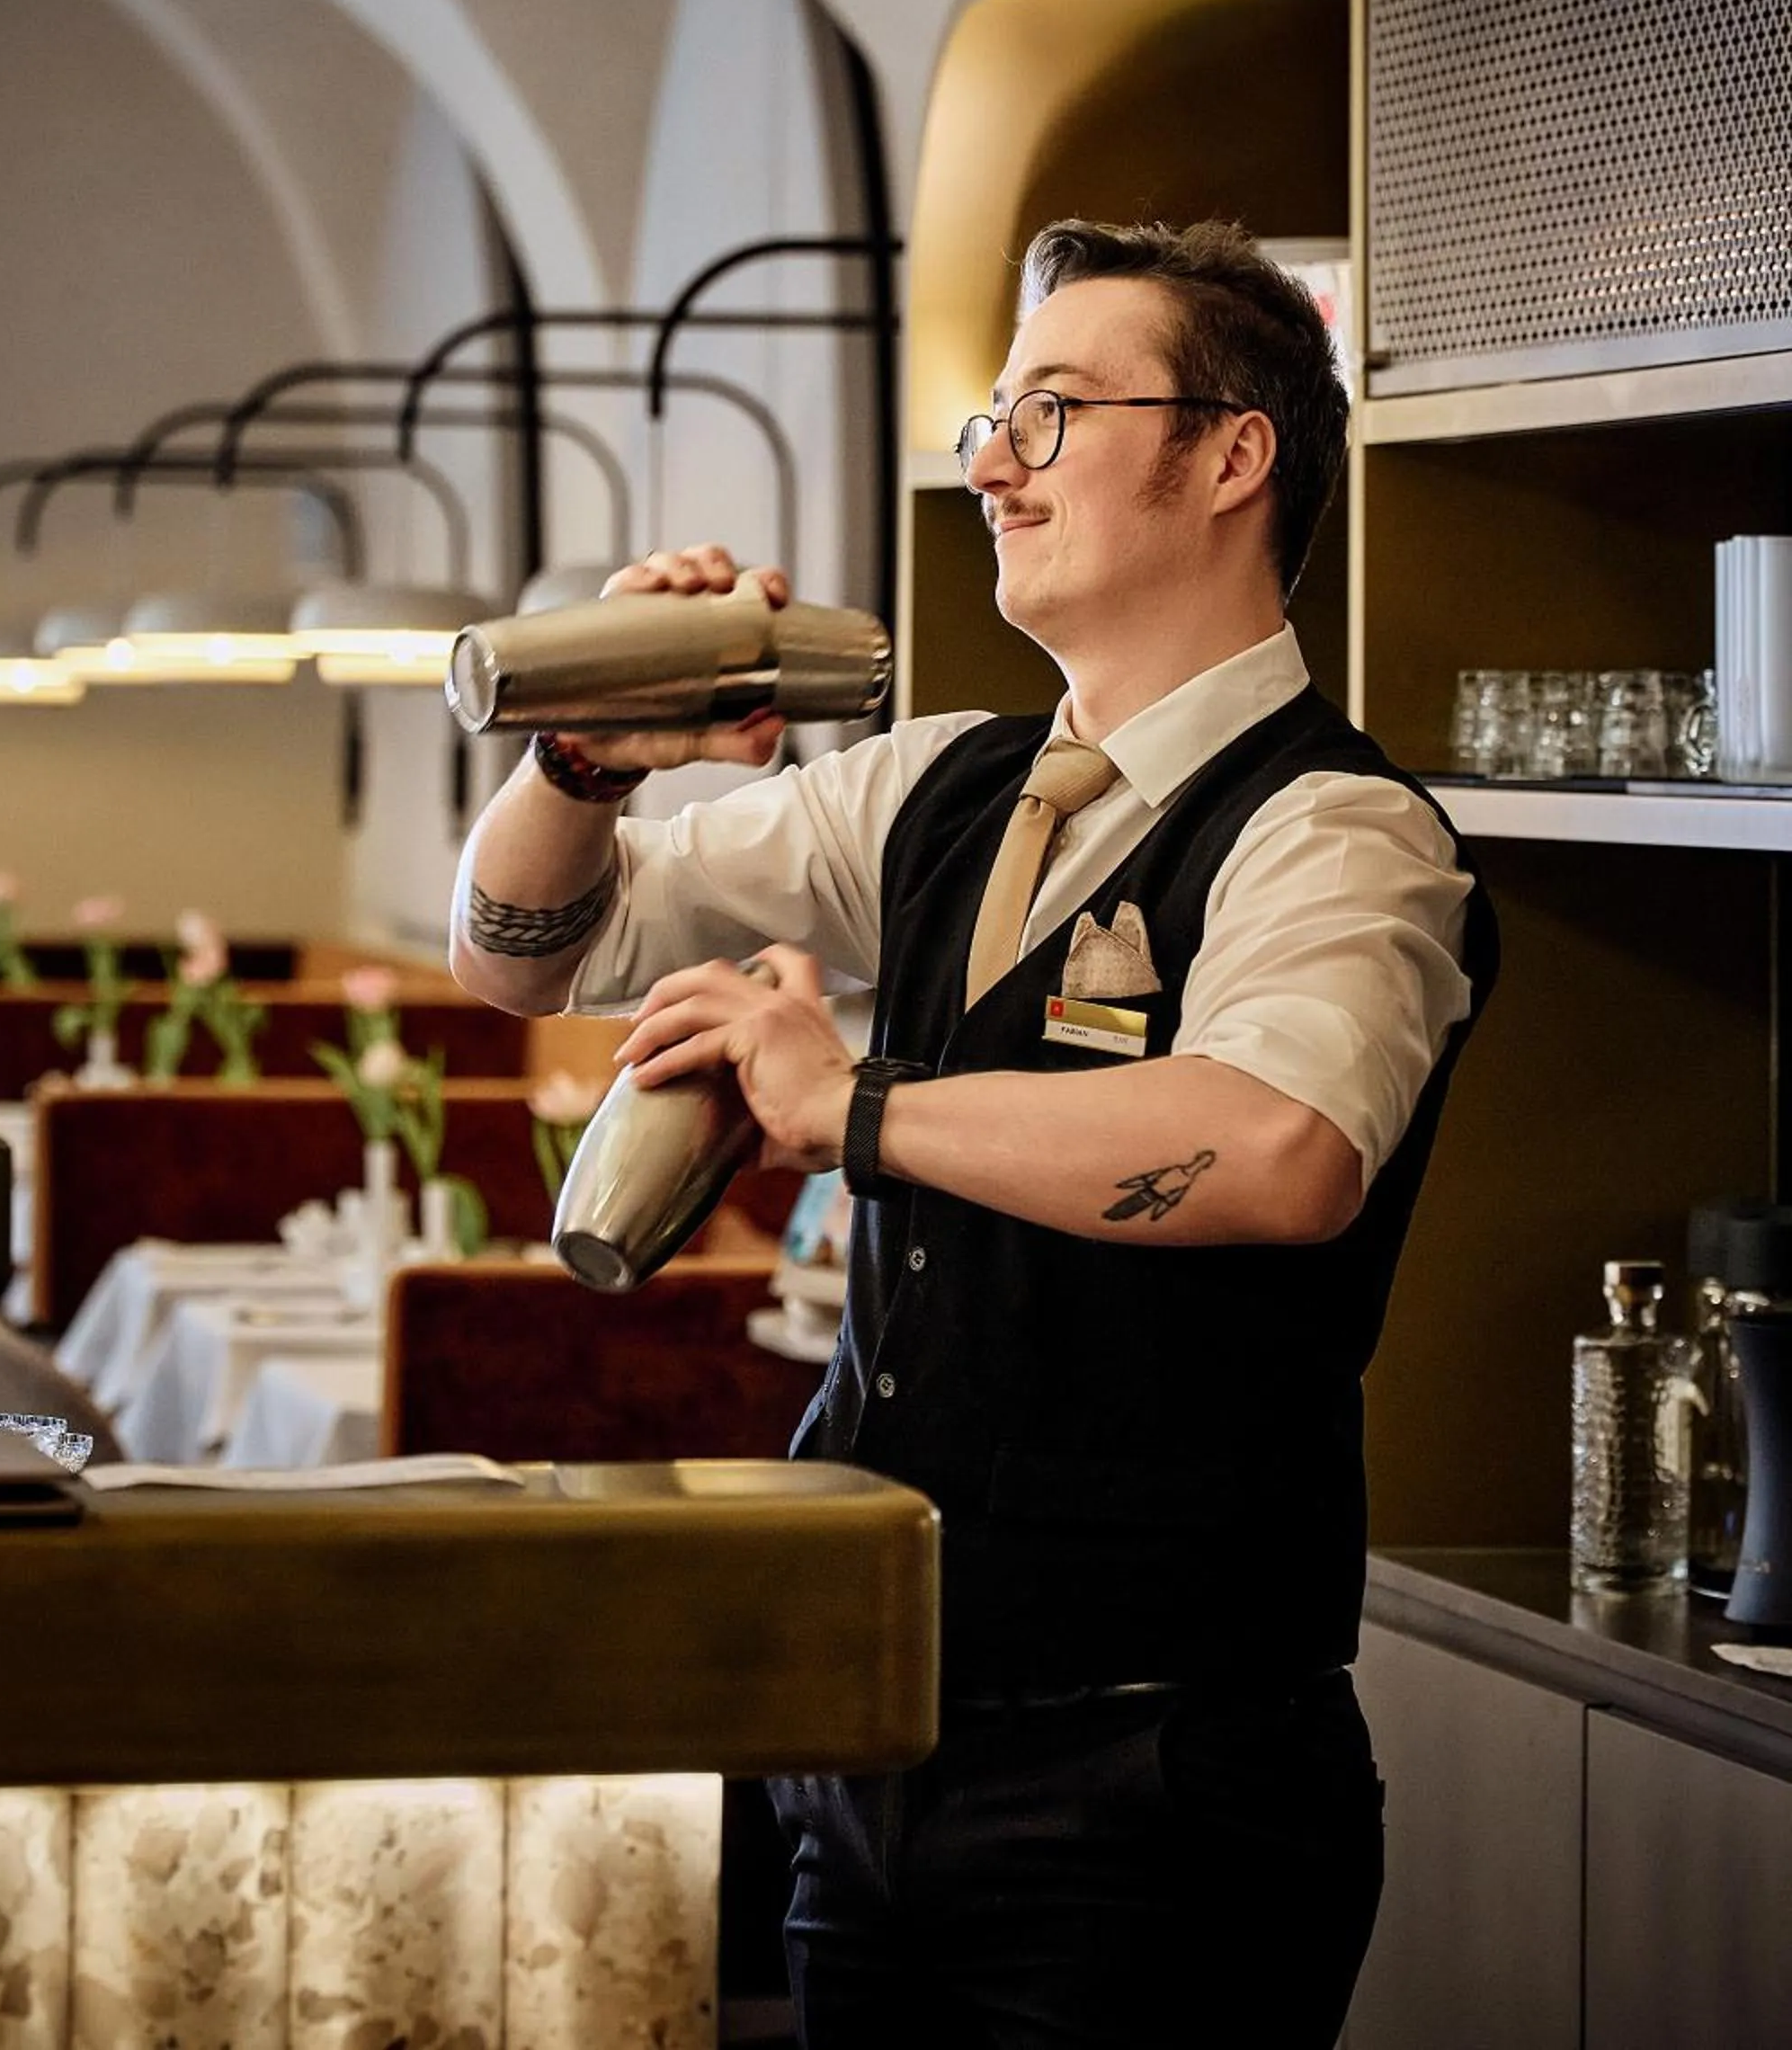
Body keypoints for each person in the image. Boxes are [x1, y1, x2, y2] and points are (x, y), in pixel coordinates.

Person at [451, 217, 1498, 2049]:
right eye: (988, 419)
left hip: (1152, 1772)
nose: (993, 458)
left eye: (1052, 410)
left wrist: (848, 1106)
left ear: (1232, 455)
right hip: (873, 1736)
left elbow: (1275, 1149)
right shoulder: (936, 785)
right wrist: (584, 762)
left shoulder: (1338, 833)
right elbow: (531, 956)